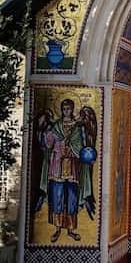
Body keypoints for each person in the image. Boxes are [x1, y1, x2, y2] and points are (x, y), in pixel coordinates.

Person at [37, 98, 95, 243]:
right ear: (62, 110)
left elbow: (80, 146)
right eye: (64, 108)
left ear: (72, 109)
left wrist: (74, 151)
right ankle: (57, 229)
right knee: (57, 197)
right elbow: (48, 144)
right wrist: (49, 137)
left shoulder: (77, 128)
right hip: (57, 168)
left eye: (69, 108)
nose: (66, 111)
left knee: (71, 199)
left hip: (72, 168)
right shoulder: (56, 126)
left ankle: (70, 230)